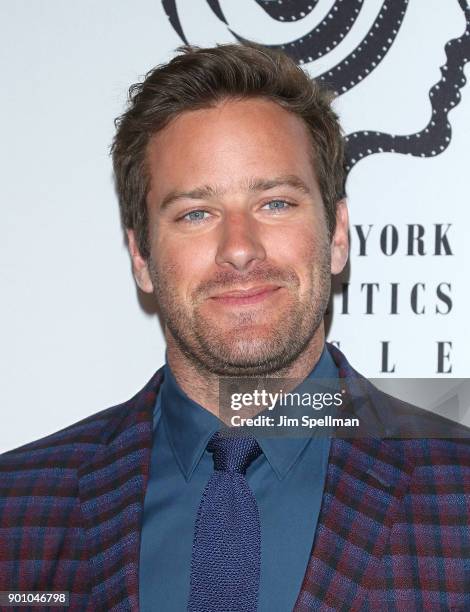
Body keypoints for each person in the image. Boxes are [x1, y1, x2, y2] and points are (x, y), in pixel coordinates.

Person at [0, 43, 469, 612]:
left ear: (338, 234)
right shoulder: (17, 507)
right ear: (141, 257)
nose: (240, 249)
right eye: (196, 213)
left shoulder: (458, 490)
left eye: (274, 202)